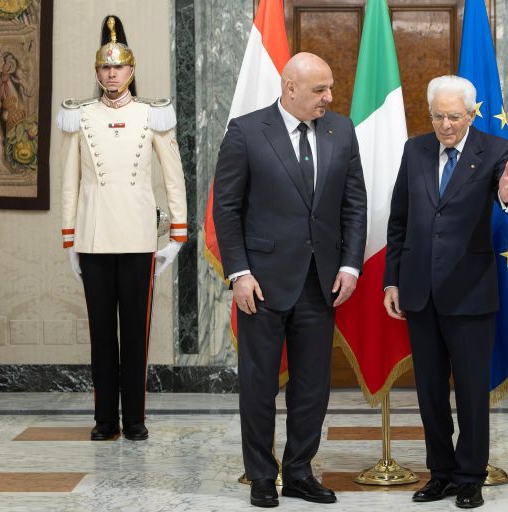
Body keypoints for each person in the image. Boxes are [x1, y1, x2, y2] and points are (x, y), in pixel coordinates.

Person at [212, 52, 367, 508]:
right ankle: (262, 476)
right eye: (320, 89)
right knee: (259, 385)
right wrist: (239, 272)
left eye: (330, 87)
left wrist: (350, 265)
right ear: (290, 88)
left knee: (312, 387)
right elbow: (227, 208)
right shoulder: (246, 131)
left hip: (321, 283)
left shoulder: (342, 130)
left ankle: (299, 472)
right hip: (260, 283)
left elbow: (354, 204)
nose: (329, 97)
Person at [383, 75, 508, 509]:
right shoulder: (415, 150)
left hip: (470, 293)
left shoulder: (494, 149)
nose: (445, 125)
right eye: (437, 116)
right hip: (419, 291)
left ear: (470, 114)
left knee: (470, 393)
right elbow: (399, 220)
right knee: (429, 393)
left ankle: (469, 477)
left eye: (453, 116)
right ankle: (441, 474)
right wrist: (392, 280)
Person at [58, 15, 187, 441]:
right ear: (97, 72)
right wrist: (70, 240)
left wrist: (177, 236)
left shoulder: (153, 114)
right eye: (105, 67)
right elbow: (69, 182)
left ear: (131, 69)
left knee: (135, 334)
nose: (112, 74)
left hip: (138, 238)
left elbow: (173, 177)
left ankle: (134, 419)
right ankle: (104, 421)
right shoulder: (80, 116)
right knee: (101, 335)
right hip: (93, 237)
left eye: (119, 66)